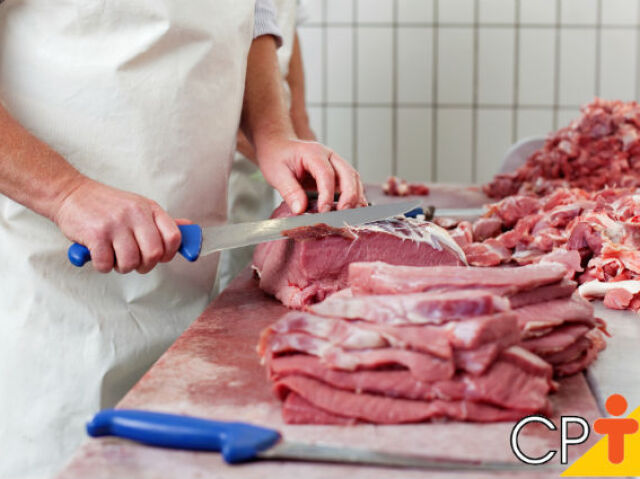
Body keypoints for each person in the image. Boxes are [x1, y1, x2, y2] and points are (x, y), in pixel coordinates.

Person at [0, 1, 365, 478]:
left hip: (190, 291)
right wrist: (66, 195)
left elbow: (252, 16)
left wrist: (272, 131)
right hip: (59, 300)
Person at [216, 0, 317, 292]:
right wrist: (269, 146)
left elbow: (279, 23)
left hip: (264, 157)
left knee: (261, 269)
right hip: (223, 167)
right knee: (228, 283)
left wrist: (299, 129)